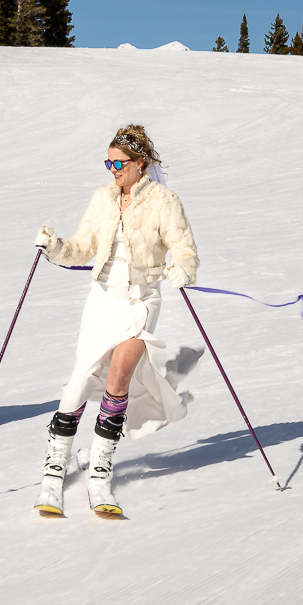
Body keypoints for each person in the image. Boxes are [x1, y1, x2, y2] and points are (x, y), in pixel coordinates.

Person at [32, 124, 198, 517]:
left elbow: (183, 245)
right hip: (104, 296)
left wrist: (184, 269)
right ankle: (53, 472)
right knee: (80, 379)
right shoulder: (103, 199)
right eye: (108, 162)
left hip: (141, 299)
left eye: (119, 162)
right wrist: (55, 246)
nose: (112, 169)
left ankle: (100, 473)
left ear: (141, 164)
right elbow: (83, 246)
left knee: (118, 377)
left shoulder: (163, 201)